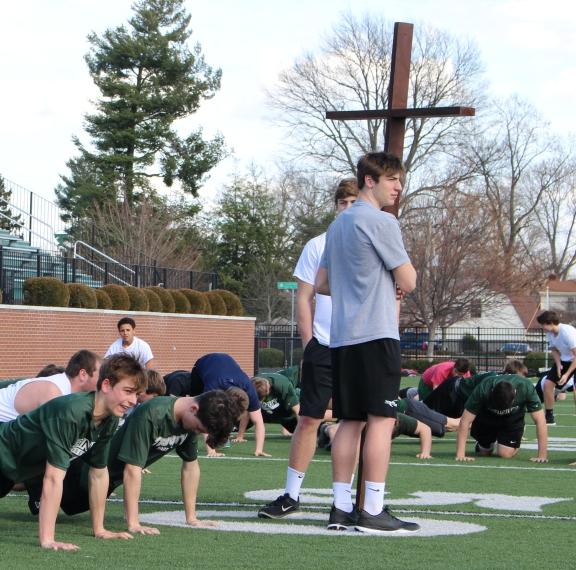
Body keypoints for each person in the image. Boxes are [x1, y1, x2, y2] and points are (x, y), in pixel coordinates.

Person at [316, 152, 419, 534]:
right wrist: (389, 281)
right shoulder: (381, 222)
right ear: (369, 180)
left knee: (349, 421)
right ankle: (372, 508)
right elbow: (408, 281)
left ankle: (341, 509)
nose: (397, 187)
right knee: (381, 420)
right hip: (376, 335)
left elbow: (323, 284)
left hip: (343, 338)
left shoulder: (338, 224)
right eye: (392, 179)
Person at [258, 178, 358, 521]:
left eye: (353, 202)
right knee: (308, 418)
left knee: (352, 422)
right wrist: (309, 342)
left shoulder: (369, 243)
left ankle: (342, 502)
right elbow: (304, 297)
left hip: (358, 347)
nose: (347, 208)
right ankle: (291, 494)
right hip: (323, 346)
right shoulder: (317, 244)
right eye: (342, 203)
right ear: (335, 206)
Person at [0, 354, 148, 551]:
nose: (133, 400)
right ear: (105, 385)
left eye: (137, 394)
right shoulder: (71, 411)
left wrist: (100, 529)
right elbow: (53, 478)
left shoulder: (109, 419)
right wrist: (48, 540)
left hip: (10, 471)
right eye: (128, 391)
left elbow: (98, 472)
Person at [57, 389, 247, 534]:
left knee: (69, 509)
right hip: (80, 473)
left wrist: (192, 518)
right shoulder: (153, 413)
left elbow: (190, 467)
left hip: (105, 484)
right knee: (33, 482)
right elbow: (132, 469)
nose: (197, 432)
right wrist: (133, 523)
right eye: (198, 427)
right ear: (194, 408)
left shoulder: (191, 422)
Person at [165, 353, 269, 457]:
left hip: (224, 365)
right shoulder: (213, 386)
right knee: (195, 408)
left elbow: (258, 421)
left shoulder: (250, 390)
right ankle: (179, 435)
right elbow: (203, 414)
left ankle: (219, 435)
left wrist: (259, 449)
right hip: (202, 365)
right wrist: (211, 450)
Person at [455, 373, 548, 463]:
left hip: (512, 417)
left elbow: (540, 421)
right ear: (491, 392)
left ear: (515, 393)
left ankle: (517, 433)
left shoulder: (525, 386)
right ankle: (483, 444)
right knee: (484, 452)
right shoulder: (482, 389)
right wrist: (460, 454)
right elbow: (465, 420)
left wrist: (542, 456)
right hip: (487, 415)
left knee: (505, 454)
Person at [0, 350, 101, 422]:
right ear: (83, 374)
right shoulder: (53, 392)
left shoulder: (63, 389)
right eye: (100, 375)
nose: (103, 381)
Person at [423, 360, 528, 419]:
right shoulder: (492, 379)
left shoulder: (504, 386)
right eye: (520, 379)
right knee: (425, 409)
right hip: (451, 390)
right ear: (511, 375)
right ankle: (409, 396)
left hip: (460, 398)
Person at [318, 413, 433, 459]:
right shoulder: (364, 421)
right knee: (334, 430)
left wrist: (425, 452)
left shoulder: (402, 421)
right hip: (348, 422)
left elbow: (426, 429)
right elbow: (335, 432)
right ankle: (325, 427)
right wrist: (335, 444)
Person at [536, 310, 576, 425]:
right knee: (548, 384)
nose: (542, 327)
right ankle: (549, 416)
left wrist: (567, 374)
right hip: (565, 361)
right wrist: (558, 366)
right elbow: (554, 350)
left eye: (543, 324)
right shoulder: (550, 333)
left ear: (551, 323)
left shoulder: (567, 332)